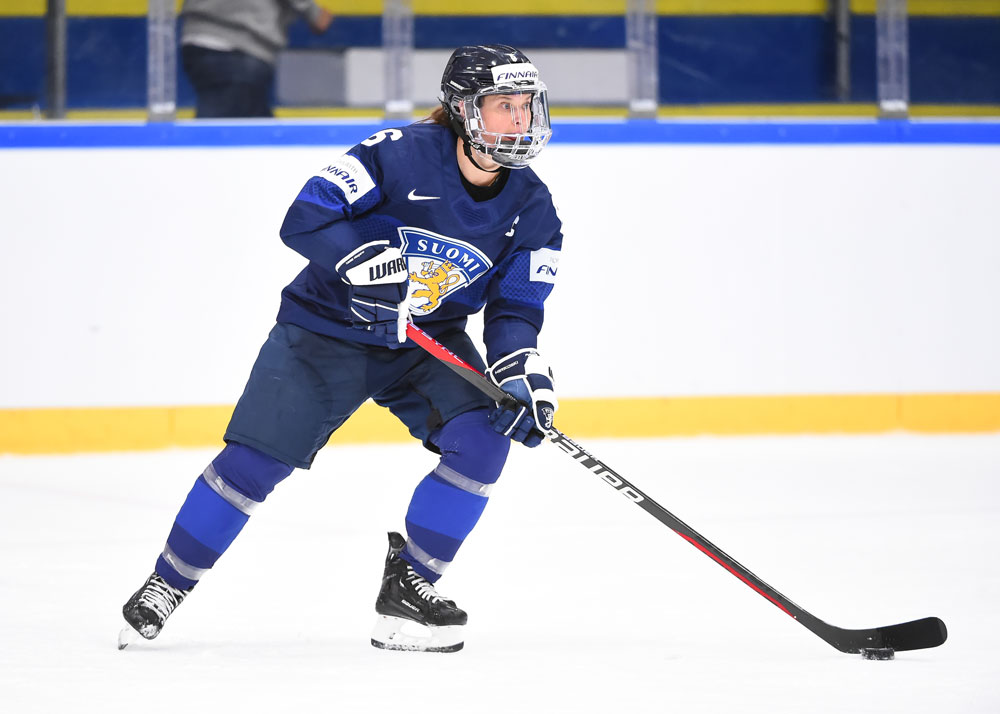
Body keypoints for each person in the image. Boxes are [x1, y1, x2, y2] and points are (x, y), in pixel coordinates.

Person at [119, 44, 562, 654]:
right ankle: (166, 584)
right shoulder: (396, 154)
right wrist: (358, 259)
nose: (519, 121)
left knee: (486, 437)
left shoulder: (534, 209)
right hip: (325, 329)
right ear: (462, 109)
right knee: (253, 466)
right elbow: (305, 216)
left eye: (526, 107)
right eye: (502, 106)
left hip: (425, 343)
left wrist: (521, 370)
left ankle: (410, 591)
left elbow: (515, 308)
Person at [180, 0, 333, 118]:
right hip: (240, 46)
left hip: (195, 40)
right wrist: (315, 13)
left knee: (256, 132)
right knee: (217, 136)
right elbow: (319, 21)